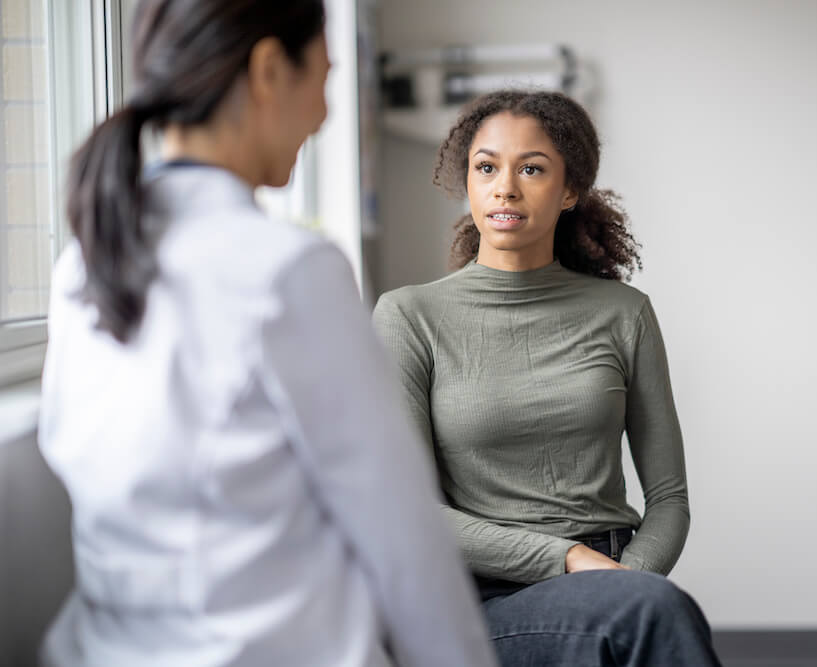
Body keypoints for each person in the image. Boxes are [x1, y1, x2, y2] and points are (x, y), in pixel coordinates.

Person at [37, 1, 497, 665]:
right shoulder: (287, 270)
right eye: (325, 79)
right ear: (268, 70)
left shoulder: (83, 262)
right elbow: (404, 542)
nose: (326, 112)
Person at [373, 90, 721, 666]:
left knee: (649, 611)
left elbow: (669, 499)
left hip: (614, 574)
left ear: (569, 191)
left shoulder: (624, 313)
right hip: (484, 596)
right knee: (654, 616)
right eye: (486, 167)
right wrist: (569, 562)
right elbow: (408, 510)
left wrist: (623, 580)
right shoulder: (409, 317)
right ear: (468, 181)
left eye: (531, 169)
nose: (504, 187)